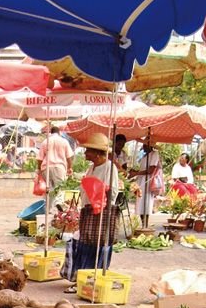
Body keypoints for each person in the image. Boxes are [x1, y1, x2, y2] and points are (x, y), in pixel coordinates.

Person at [63, 132, 120, 293]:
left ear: (97, 153)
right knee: (85, 244)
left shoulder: (110, 168)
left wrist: (101, 199)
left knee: (99, 246)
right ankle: (82, 278)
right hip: (88, 210)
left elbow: (112, 191)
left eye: (88, 150)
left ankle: (94, 279)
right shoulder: (91, 168)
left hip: (102, 213)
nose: (85, 153)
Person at [37, 125, 73, 209]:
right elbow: (69, 156)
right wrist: (70, 167)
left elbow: (39, 158)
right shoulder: (63, 141)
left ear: (51, 133)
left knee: (49, 189)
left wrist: (38, 169)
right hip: (59, 167)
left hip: (46, 168)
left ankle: (48, 209)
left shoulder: (45, 142)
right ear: (59, 132)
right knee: (60, 186)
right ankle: (59, 201)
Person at [130, 137, 162, 226]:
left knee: (146, 203)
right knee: (140, 203)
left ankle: (146, 224)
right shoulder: (144, 156)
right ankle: (143, 223)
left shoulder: (154, 154)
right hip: (141, 180)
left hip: (148, 180)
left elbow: (151, 170)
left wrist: (137, 173)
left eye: (144, 144)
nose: (143, 146)